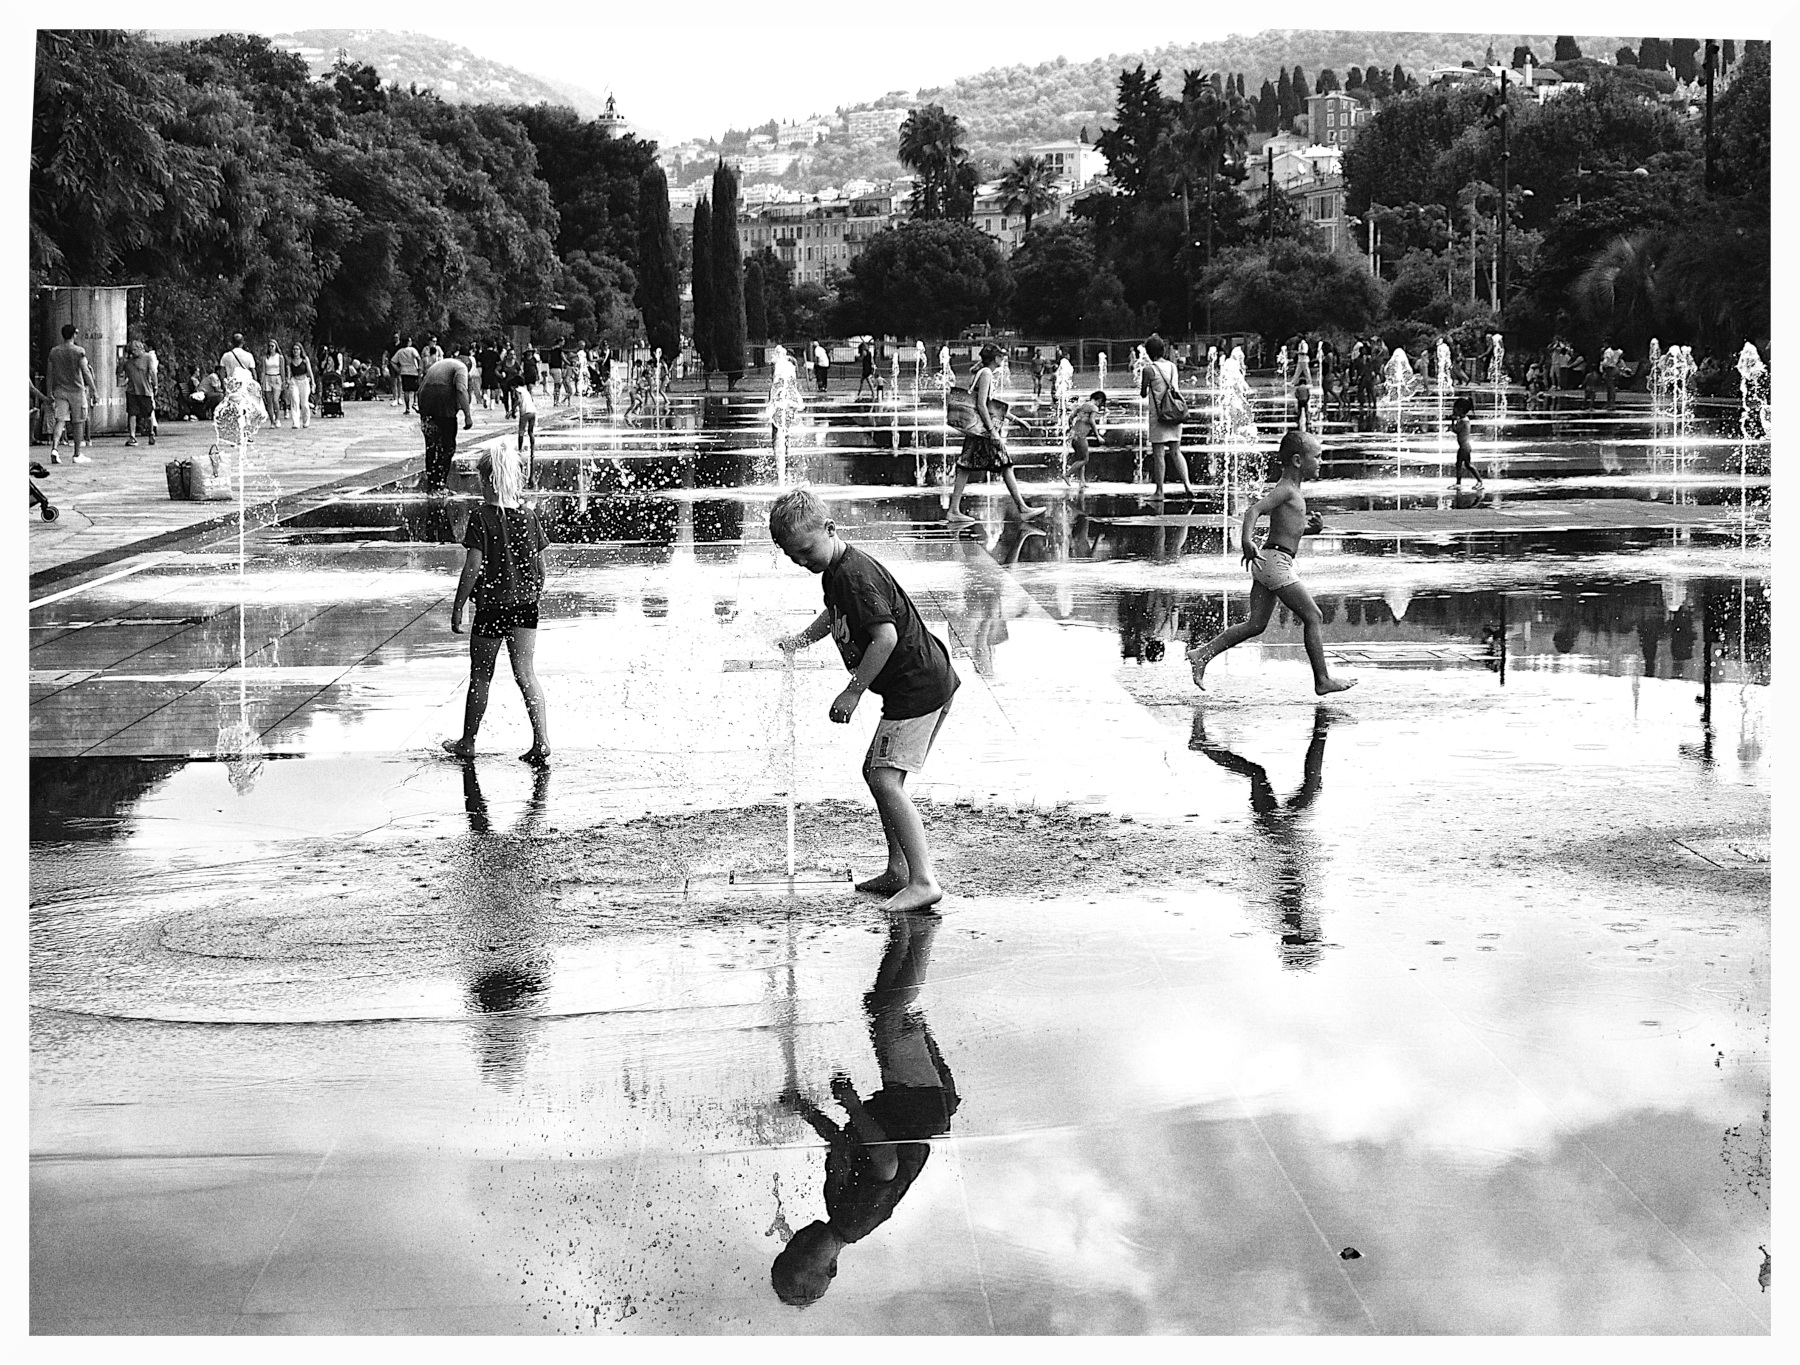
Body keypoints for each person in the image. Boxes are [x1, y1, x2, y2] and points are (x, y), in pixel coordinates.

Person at [771, 488, 959, 912]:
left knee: (884, 779)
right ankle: (899, 870)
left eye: (804, 551)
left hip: (917, 688)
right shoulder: (836, 573)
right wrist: (802, 640)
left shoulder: (855, 574)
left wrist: (853, 690)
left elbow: (885, 637)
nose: (801, 561)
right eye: (791, 556)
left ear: (830, 529)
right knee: (877, 773)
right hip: (918, 684)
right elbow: (834, 613)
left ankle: (923, 880)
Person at [773, 908, 958, 1307]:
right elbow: (886, 1161)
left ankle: (908, 929)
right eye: (804, 1255)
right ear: (832, 1267)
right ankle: (921, 929)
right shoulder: (854, 1221)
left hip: (912, 1101)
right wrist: (853, 1104)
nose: (799, 1240)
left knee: (880, 1007)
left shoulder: (836, 1208)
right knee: (892, 1016)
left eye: (790, 1248)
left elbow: (840, 1143)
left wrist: (805, 1109)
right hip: (918, 1102)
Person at [1184, 429, 1356, 697]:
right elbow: (1254, 510)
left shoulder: (1293, 491)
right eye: (1317, 456)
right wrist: (1246, 541)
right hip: (1274, 562)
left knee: (1256, 624)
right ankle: (1322, 679)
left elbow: (1290, 533)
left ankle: (1203, 654)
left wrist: (1314, 530)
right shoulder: (1286, 490)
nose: (1321, 462)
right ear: (1298, 461)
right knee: (1313, 616)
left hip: (1271, 560)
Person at [443, 443, 552, 765]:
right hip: (525, 607)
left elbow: (473, 567)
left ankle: (468, 741)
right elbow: (541, 568)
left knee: (480, 676)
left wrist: (459, 605)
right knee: (526, 674)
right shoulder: (528, 516)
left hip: (491, 607)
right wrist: (531, 594)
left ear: (487, 480)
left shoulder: (481, 517)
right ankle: (542, 741)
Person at [945, 344, 1046, 523]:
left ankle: (954, 510)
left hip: (978, 431)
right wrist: (993, 431)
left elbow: (991, 406)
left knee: (967, 466)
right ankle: (1022, 508)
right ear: (995, 358)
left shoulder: (983, 372)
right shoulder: (986, 374)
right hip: (983, 431)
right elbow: (982, 405)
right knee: (1003, 464)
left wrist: (1016, 420)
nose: (1003, 358)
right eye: (1001, 356)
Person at [1139, 333, 1196, 502]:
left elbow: (1143, 393)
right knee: (1176, 451)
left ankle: (1159, 491)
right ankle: (1187, 485)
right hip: (1175, 413)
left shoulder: (1149, 369)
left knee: (1159, 454)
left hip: (1159, 416)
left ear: (1149, 352)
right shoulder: (1172, 366)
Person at [417, 355, 474, 493]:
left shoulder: (440, 364)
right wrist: (467, 416)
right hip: (443, 405)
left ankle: (432, 485)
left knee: (432, 446)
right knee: (447, 446)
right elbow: (461, 389)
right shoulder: (461, 367)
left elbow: (421, 384)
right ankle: (441, 484)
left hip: (425, 400)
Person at [46, 323, 97, 464]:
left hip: (60, 390)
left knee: (60, 420)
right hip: (76, 391)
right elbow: (85, 372)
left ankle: (55, 449)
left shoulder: (54, 352)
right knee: (78, 422)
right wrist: (94, 390)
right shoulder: (78, 351)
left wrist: (49, 391)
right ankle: (77, 454)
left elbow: (49, 373)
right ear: (74, 334)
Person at [119, 338, 159, 448]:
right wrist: (122, 361)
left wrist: (155, 385)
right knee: (132, 413)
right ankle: (132, 435)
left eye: (135, 349)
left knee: (148, 413)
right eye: (131, 350)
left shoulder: (147, 358)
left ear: (140, 348)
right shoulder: (128, 362)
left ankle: (151, 432)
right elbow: (119, 373)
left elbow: (152, 372)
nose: (133, 352)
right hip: (132, 391)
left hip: (144, 390)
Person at [1065, 389, 1106, 488]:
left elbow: (1071, 417)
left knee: (1080, 457)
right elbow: (1092, 421)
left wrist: (1071, 428)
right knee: (1085, 459)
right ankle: (1067, 474)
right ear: (1099, 400)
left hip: (1074, 434)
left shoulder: (1082, 405)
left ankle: (1082, 481)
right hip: (1080, 435)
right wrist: (1098, 436)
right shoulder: (1094, 408)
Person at [1450, 394, 1482, 489]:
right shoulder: (1463, 420)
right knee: (1458, 464)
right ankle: (1458, 483)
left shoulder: (1464, 421)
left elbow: (1456, 430)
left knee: (1468, 465)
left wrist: (1452, 422)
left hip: (1465, 447)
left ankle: (1479, 481)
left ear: (1460, 410)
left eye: (1454, 408)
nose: (1453, 410)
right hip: (1463, 446)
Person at [514, 366, 538, 483]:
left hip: (525, 412)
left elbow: (518, 401)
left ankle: (519, 449)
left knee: (521, 432)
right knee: (531, 432)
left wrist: (511, 410)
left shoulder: (517, 390)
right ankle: (533, 448)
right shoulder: (526, 390)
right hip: (533, 411)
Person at [284, 340, 315, 429]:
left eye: (297, 349)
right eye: (294, 349)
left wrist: (313, 382)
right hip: (294, 381)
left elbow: (309, 371)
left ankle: (306, 420)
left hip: (304, 381)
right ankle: (295, 422)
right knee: (295, 401)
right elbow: (289, 372)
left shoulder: (305, 360)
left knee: (304, 403)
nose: (295, 351)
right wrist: (288, 380)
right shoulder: (290, 361)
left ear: (301, 350)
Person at [391, 335, 422, 414]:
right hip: (413, 371)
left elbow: (392, 361)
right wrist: (419, 368)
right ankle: (415, 403)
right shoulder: (412, 350)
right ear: (409, 342)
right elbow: (418, 358)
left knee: (406, 391)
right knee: (416, 389)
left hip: (404, 371)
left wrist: (398, 369)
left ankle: (407, 408)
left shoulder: (400, 351)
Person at [1599, 341, 1623, 410]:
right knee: (1612, 387)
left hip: (1610, 369)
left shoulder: (1608, 351)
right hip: (1615, 369)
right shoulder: (1619, 351)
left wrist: (1602, 366)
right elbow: (1619, 360)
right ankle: (1610, 403)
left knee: (1610, 387)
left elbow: (1606, 361)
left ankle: (1611, 404)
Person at [544, 338, 566, 405]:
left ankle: (556, 400)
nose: (564, 343)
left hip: (552, 368)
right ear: (560, 342)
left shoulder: (551, 349)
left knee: (556, 385)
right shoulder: (559, 350)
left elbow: (549, 359)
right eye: (563, 341)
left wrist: (549, 368)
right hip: (557, 368)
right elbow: (564, 359)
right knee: (557, 386)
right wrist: (570, 363)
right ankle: (556, 401)